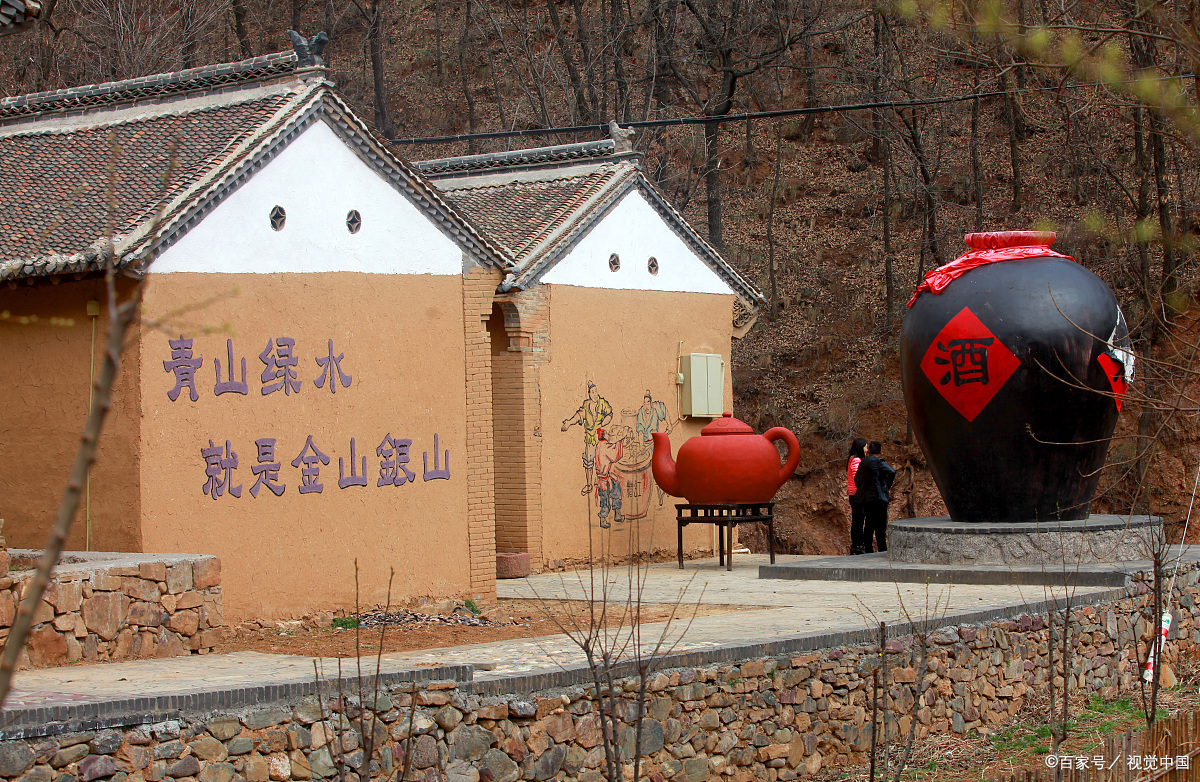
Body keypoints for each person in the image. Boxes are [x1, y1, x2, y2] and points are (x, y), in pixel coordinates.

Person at [855, 441, 896, 553]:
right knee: (881, 526)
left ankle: (868, 549)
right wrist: (886, 486)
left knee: (868, 524)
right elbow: (891, 471)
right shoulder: (878, 462)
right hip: (879, 497)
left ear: (868, 451)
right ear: (880, 451)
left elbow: (857, 479)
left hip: (866, 498)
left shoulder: (863, 463)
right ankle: (882, 549)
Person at [847, 437, 868, 555]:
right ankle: (859, 545)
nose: (867, 449)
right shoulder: (856, 460)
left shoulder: (851, 459)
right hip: (857, 494)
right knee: (859, 521)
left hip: (852, 493)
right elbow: (857, 476)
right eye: (865, 447)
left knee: (856, 520)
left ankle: (855, 545)